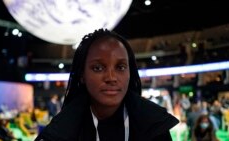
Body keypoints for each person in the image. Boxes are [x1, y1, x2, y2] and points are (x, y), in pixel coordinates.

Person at [35, 29, 179, 141]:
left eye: (121, 67)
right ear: (82, 75)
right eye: (98, 68)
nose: (111, 78)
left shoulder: (154, 126)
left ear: (131, 72)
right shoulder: (59, 133)